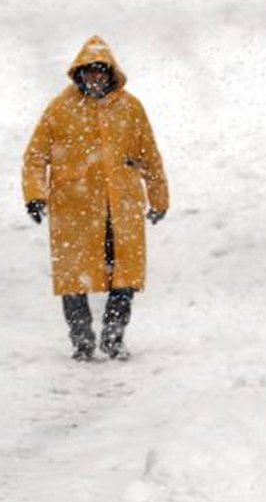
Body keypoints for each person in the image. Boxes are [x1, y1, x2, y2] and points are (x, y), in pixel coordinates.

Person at [22, 36, 170, 361]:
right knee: (74, 278)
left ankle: (114, 336)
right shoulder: (60, 109)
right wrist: (35, 194)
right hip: (74, 209)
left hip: (121, 206)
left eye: (100, 72)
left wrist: (159, 198)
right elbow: (36, 155)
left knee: (125, 276)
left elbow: (149, 156)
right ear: (79, 73)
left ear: (110, 73)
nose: (94, 78)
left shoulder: (130, 108)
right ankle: (82, 339)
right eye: (88, 72)